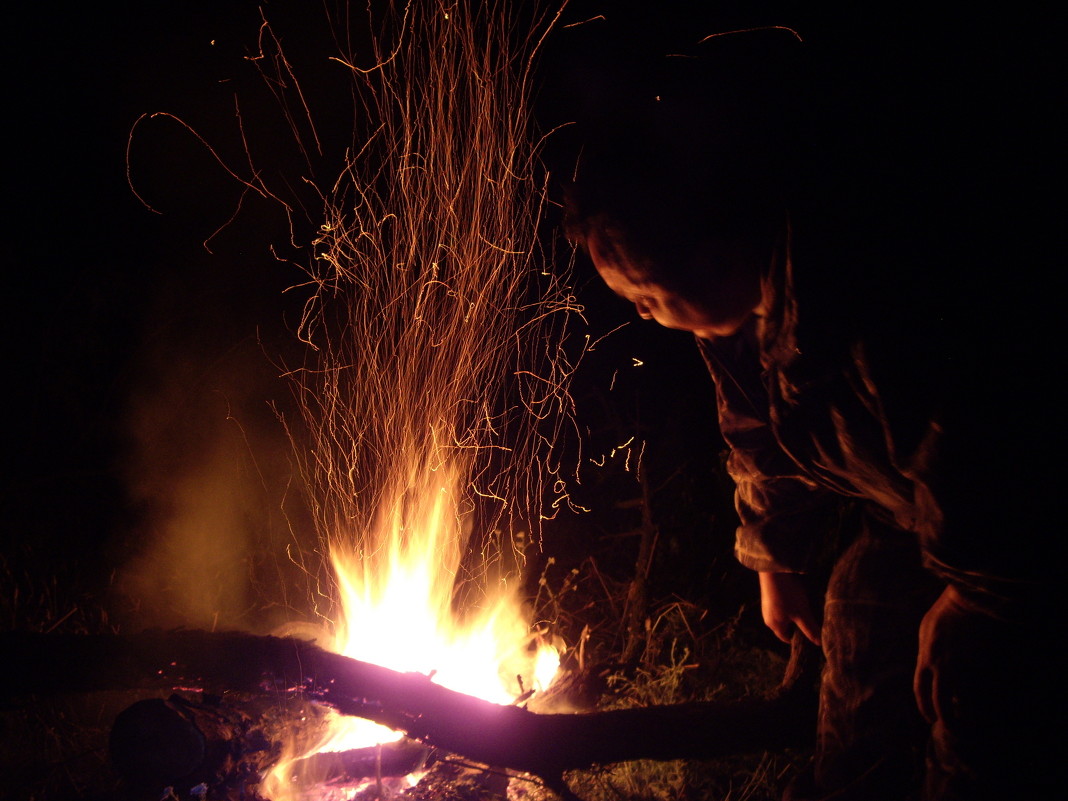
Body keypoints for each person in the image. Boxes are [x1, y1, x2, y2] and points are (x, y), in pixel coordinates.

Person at [562, 27, 1055, 801]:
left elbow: (976, 449)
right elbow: (755, 432)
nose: (651, 320)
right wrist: (774, 558)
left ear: (719, 255)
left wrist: (969, 598)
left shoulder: (866, 299)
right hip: (918, 524)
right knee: (857, 605)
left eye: (651, 299)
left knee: (971, 677)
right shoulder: (736, 317)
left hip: (1019, 548)